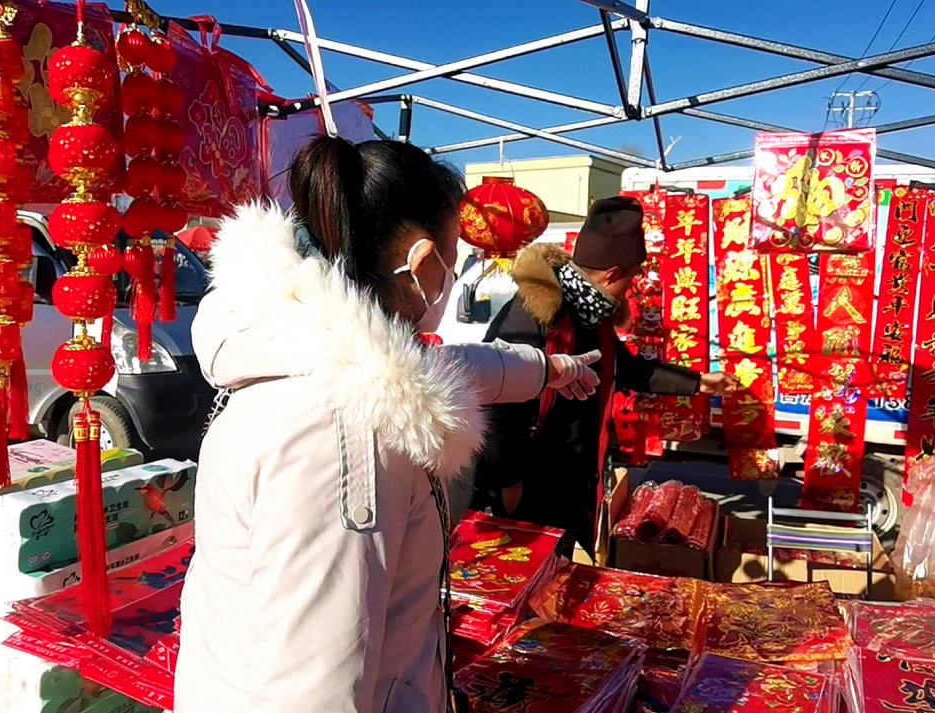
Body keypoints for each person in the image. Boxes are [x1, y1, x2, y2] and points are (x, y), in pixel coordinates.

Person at [175, 136, 600, 713]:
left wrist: (548, 369)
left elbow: (448, 366)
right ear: (422, 262)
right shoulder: (339, 433)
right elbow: (311, 691)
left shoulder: (306, 346)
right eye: (453, 256)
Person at [472, 196, 740, 552]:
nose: (630, 288)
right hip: (529, 483)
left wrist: (697, 383)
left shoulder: (592, 314)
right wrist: (507, 481)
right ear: (612, 274)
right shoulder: (533, 314)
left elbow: (625, 368)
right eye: (630, 278)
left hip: (573, 480)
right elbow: (493, 401)